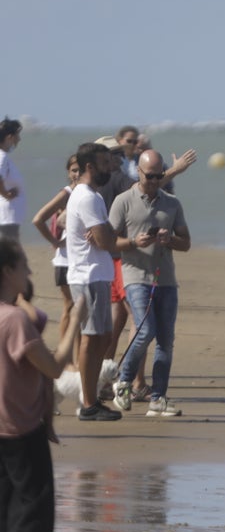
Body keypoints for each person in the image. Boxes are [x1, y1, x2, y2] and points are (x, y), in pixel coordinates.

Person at [0, 237, 83, 532]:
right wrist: (77, 316)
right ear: (6, 272)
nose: (29, 273)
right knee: (30, 511)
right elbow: (53, 367)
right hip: (18, 430)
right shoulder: (13, 319)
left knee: (3, 513)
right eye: (22, 267)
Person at [107, 150, 191, 417]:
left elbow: (186, 242)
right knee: (145, 331)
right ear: (139, 173)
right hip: (134, 276)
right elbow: (108, 242)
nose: (155, 180)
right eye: (149, 175)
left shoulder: (172, 203)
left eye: (158, 175)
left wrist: (170, 240)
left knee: (166, 340)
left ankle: (158, 398)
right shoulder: (124, 201)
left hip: (165, 279)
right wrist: (134, 242)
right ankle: (124, 381)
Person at [64, 143, 122, 421]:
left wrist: (107, 233)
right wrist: (110, 235)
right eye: (104, 162)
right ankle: (88, 402)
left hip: (97, 274)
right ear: (90, 167)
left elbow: (105, 236)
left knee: (102, 337)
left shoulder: (92, 196)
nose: (109, 167)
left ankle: (92, 397)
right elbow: (105, 241)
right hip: (88, 275)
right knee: (92, 338)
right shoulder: (87, 197)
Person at [31, 155, 81, 342]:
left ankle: (74, 358)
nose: (77, 174)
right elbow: (38, 220)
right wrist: (54, 241)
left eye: (80, 170)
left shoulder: (88, 192)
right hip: (65, 259)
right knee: (70, 306)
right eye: (73, 170)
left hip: (80, 259)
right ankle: (65, 356)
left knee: (79, 308)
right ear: (68, 173)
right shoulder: (66, 193)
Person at [0, 117, 26, 243]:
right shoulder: (2, 156)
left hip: (9, 217)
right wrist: (6, 194)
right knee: (10, 253)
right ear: (10, 137)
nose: (19, 139)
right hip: (7, 216)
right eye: (17, 135)